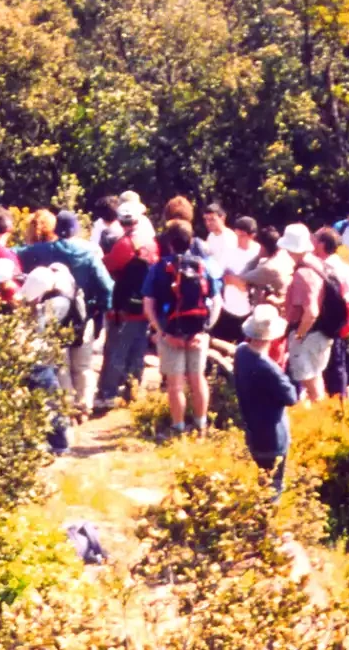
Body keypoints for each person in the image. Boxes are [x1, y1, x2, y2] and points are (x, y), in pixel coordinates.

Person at [18, 211, 114, 415]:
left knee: (61, 365)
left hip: (53, 315)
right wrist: (101, 310)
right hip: (83, 314)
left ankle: (67, 408)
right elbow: (106, 287)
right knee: (83, 366)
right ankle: (84, 405)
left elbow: (12, 252)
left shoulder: (39, 251)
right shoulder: (88, 253)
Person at [143, 221, 222, 438]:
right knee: (198, 380)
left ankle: (178, 428)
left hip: (170, 333)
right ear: (191, 240)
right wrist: (205, 330)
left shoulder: (158, 268)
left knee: (175, 385)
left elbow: (148, 304)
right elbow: (216, 300)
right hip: (198, 332)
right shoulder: (204, 266)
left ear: (169, 242)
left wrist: (162, 332)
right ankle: (201, 425)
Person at [93, 202, 157, 416]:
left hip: (124, 307)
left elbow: (108, 266)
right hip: (145, 306)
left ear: (121, 222)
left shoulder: (124, 244)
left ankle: (107, 395)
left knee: (115, 351)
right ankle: (133, 392)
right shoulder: (150, 243)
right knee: (138, 350)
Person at [232, 305, 299, 496]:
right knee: (274, 488)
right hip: (274, 437)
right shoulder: (270, 369)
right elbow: (291, 397)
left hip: (253, 432)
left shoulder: (242, 353)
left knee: (262, 482)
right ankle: (268, 524)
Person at [280, 224, 333, 403]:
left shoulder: (303, 273)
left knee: (311, 383)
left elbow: (311, 312)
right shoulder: (317, 263)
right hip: (320, 333)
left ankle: (321, 426)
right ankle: (324, 422)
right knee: (316, 380)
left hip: (309, 334)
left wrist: (299, 335)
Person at [313, 226, 349, 399]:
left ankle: (332, 405)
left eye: (315, 239)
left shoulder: (324, 268)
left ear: (322, 244)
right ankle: (339, 402)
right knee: (338, 364)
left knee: (327, 367)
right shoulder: (346, 267)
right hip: (344, 323)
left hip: (327, 324)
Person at [204, 204, 253, 344]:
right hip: (214, 280)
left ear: (222, 218)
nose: (208, 223)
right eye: (206, 220)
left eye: (212, 219)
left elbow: (229, 266)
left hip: (227, 284)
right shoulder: (211, 236)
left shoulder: (230, 238)